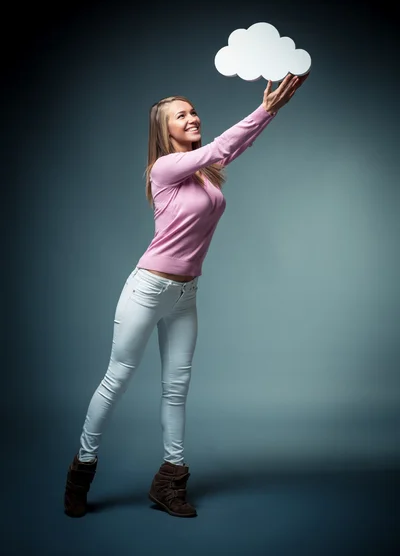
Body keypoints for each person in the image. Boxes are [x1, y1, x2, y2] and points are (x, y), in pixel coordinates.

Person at [64, 72, 309, 519]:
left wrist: (269, 115)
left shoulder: (204, 174)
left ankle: (170, 481)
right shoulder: (163, 169)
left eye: (194, 110)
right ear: (165, 129)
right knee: (116, 379)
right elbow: (222, 146)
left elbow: (230, 149)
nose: (192, 117)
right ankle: (82, 468)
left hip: (185, 294)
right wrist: (266, 110)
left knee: (176, 389)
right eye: (182, 115)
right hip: (148, 288)